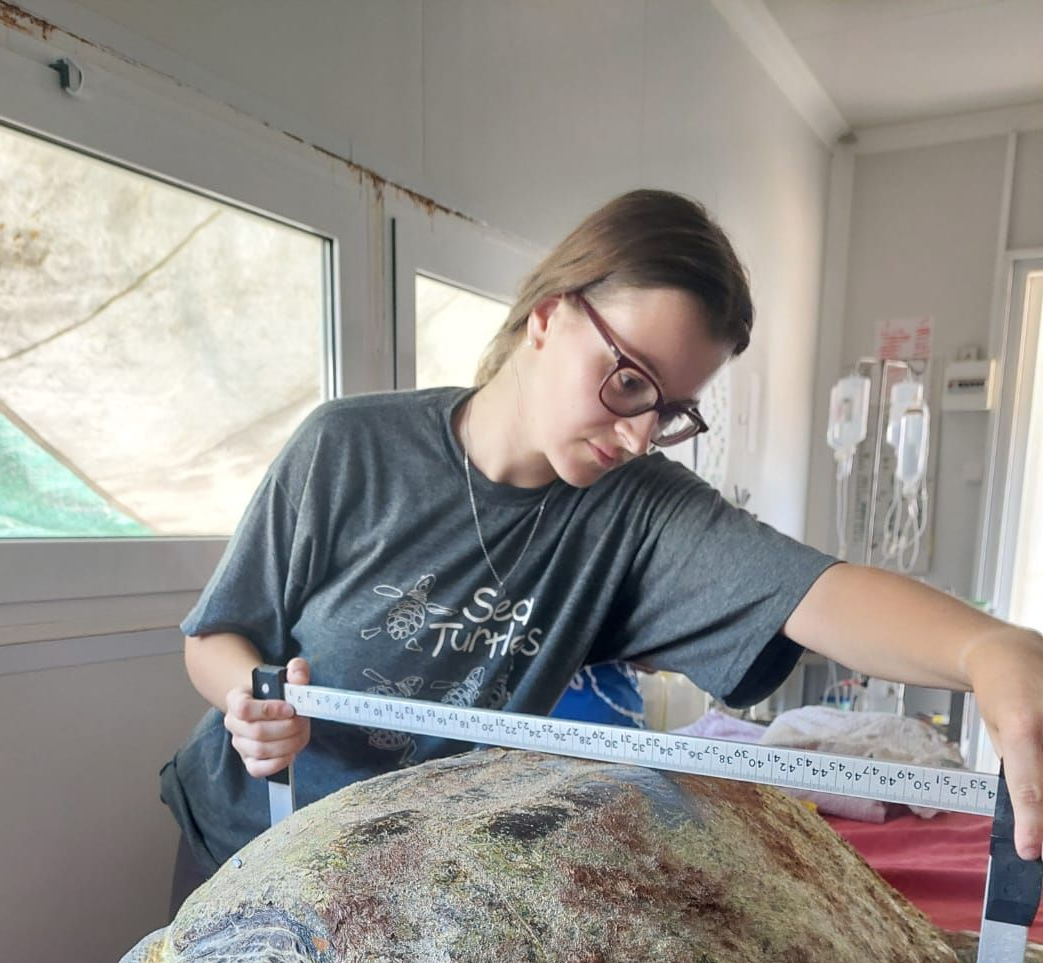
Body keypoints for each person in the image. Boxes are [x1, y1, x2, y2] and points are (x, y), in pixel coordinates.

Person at [161, 190, 1043, 916]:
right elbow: (218, 636)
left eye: (670, 412)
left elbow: (816, 592)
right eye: (627, 381)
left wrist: (988, 650)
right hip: (245, 844)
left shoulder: (634, 515)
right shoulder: (350, 450)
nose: (636, 434)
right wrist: (251, 699)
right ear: (548, 316)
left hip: (400, 888)